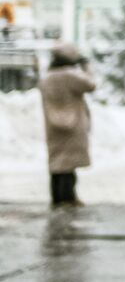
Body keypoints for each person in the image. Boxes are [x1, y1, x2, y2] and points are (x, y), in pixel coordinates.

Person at [38, 42, 96, 208]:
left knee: (56, 162)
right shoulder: (72, 76)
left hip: (52, 124)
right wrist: (86, 67)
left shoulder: (47, 77)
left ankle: (57, 197)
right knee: (69, 164)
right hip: (74, 124)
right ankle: (69, 197)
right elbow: (91, 85)